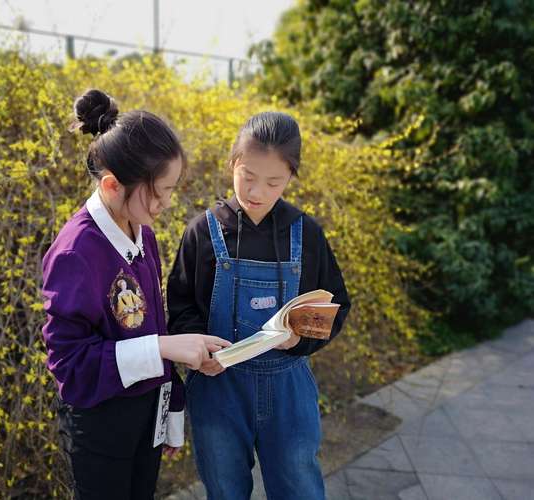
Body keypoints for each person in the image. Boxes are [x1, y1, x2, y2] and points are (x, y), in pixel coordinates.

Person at [41, 89, 230, 500]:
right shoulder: (77, 252)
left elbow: (153, 325)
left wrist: (170, 409)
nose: (165, 203)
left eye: (170, 189)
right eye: (157, 192)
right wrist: (165, 347)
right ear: (111, 185)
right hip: (101, 427)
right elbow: (70, 365)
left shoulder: (142, 232)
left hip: (145, 418)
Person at [167, 111, 351, 500]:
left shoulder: (306, 232)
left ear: (290, 178)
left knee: (299, 488)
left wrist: (300, 339)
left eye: (274, 182)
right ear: (233, 162)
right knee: (225, 489)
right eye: (247, 176)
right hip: (219, 386)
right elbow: (180, 305)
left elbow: (336, 304)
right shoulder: (203, 231)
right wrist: (199, 351)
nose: (257, 192)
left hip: (288, 385)